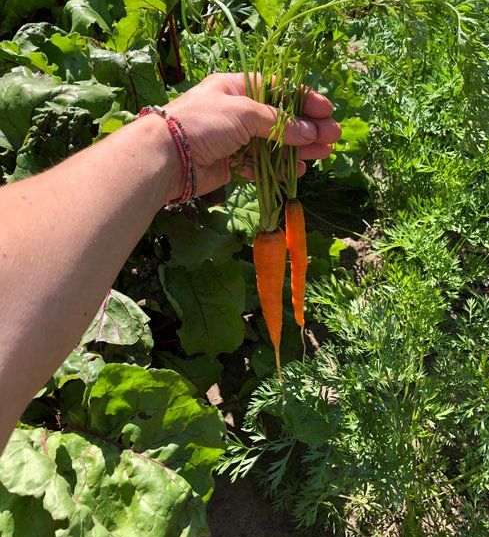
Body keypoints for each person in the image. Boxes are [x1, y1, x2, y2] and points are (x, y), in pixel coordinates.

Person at [0, 72, 341, 452]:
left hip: (266, 221)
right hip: (265, 227)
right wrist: (170, 147)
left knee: (289, 299)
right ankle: (282, 348)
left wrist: (168, 152)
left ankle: (287, 341)